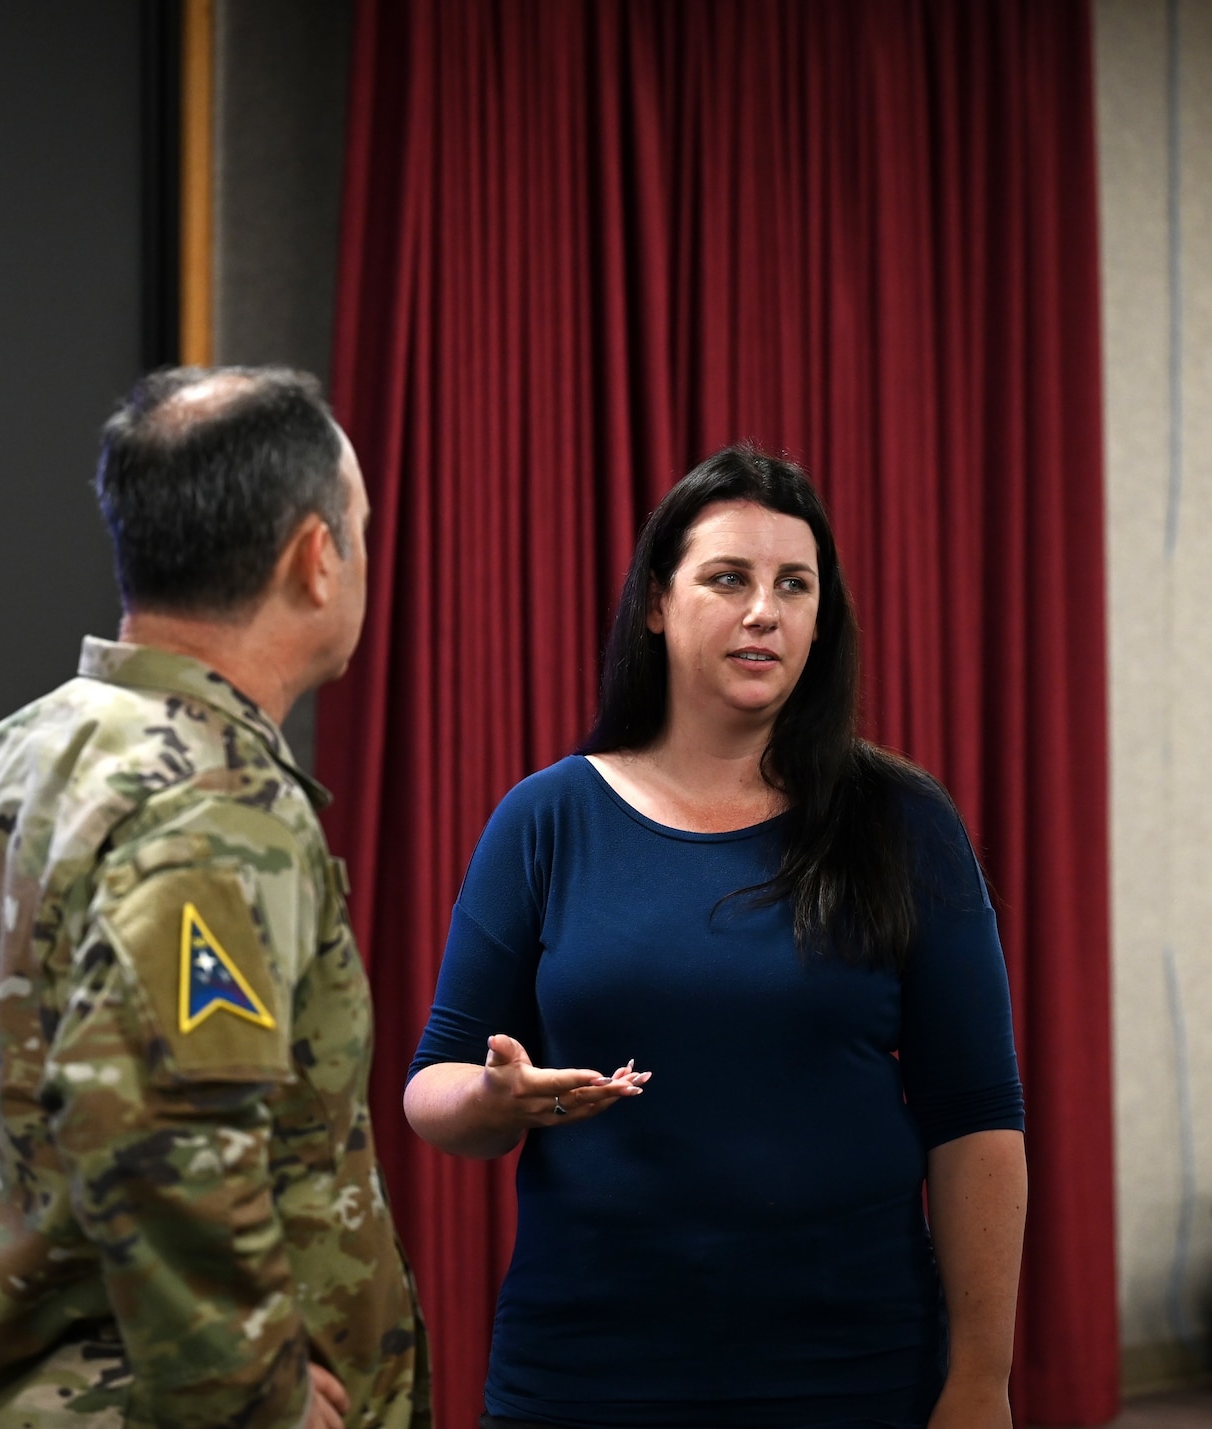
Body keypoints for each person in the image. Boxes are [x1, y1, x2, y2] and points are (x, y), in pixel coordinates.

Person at [0, 368, 427, 1429]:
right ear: (315, 559)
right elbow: (156, 1124)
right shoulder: (217, 802)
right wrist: (252, 1399)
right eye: (360, 529)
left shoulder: (0, 760)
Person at [403, 446, 1028, 1429]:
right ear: (657, 601)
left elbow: (977, 1118)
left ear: (822, 618)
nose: (762, 612)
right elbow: (430, 1086)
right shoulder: (546, 818)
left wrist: (981, 1381)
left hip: (849, 1366)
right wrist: (495, 1097)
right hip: (587, 1370)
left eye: (793, 584)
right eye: (727, 578)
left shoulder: (902, 820)